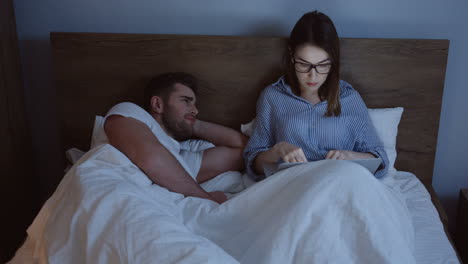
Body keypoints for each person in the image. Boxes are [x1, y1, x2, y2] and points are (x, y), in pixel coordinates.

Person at [244, 10, 389, 181]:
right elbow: (252, 163)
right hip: (293, 185)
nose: (313, 76)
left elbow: (381, 161)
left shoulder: (350, 98)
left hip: (340, 182)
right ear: (291, 56)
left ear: (333, 61)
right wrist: (277, 150)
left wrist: (350, 156)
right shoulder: (272, 97)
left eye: (323, 65)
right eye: (304, 64)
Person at [104, 72, 248, 204]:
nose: (195, 110)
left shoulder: (181, 163)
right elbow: (152, 159)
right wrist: (206, 198)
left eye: (195, 105)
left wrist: (193, 124)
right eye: (186, 101)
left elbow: (245, 150)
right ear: (157, 104)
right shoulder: (130, 111)